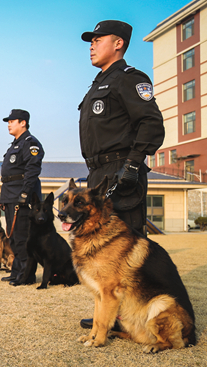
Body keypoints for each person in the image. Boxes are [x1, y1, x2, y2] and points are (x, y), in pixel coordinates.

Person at [78, 20, 164, 328]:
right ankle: (111, 314)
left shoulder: (129, 79)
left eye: (98, 39)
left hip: (121, 171)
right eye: (91, 40)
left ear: (118, 44)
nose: (92, 44)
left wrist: (133, 164)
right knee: (102, 248)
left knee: (126, 247)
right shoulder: (98, 84)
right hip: (99, 174)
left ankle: (132, 315)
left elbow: (151, 122)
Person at [0, 109, 44, 286]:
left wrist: (25, 194)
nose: (9, 124)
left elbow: (32, 170)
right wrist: (3, 199)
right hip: (10, 195)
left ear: (23, 122)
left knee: (23, 237)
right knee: (13, 237)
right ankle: (17, 270)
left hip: (21, 196)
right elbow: (8, 176)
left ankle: (27, 274)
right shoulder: (14, 145)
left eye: (12, 121)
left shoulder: (30, 143)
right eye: (8, 121)